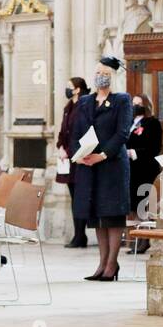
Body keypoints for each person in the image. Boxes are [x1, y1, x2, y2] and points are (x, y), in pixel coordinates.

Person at [70, 55, 132, 281]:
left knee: (112, 215)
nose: (100, 77)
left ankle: (112, 264)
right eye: (98, 73)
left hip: (112, 165)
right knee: (97, 215)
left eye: (105, 74)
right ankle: (101, 263)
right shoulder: (86, 101)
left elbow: (122, 133)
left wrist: (103, 155)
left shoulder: (122, 100)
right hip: (89, 165)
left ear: (113, 77)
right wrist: (79, 153)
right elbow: (76, 130)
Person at [126, 93, 163, 253]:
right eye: (133, 103)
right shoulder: (130, 123)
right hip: (130, 170)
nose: (135, 106)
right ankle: (135, 239)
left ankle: (144, 239)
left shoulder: (152, 123)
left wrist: (134, 152)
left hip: (145, 168)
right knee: (133, 206)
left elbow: (154, 147)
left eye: (138, 103)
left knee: (142, 205)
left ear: (146, 105)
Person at [56, 77, 90, 248]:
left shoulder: (83, 106)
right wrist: (61, 147)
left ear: (77, 89)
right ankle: (78, 234)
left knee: (80, 198)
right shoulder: (68, 107)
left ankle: (80, 235)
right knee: (73, 196)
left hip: (79, 157)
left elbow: (81, 132)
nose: (67, 90)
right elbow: (64, 131)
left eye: (70, 87)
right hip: (67, 158)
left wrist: (70, 151)